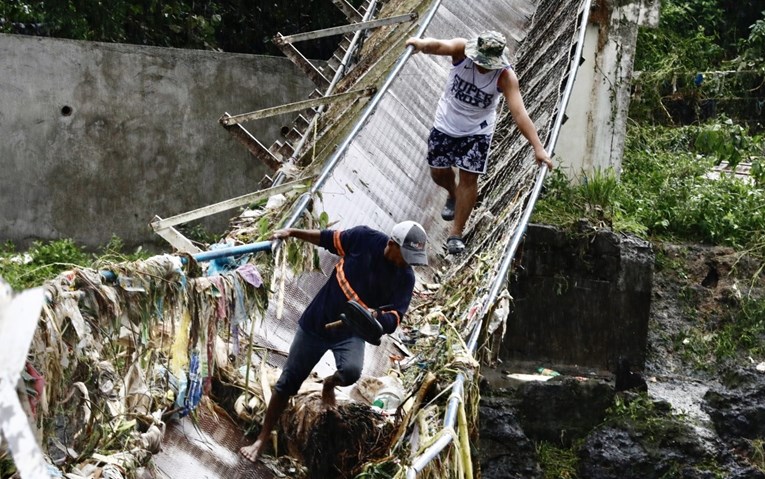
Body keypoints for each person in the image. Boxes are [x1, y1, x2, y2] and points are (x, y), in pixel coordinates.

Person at [240, 220, 428, 462]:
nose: (408, 262)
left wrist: (378, 318)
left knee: (351, 371)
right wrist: (293, 232)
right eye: (406, 255)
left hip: (352, 332)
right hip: (317, 322)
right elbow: (326, 238)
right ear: (392, 244)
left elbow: (396, 316)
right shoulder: (363, 238)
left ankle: (329, 384)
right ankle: (262, 438)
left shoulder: (405, 278)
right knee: (288, 382)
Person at [405, 31, 553, 255]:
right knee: (438, 171)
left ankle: (456, 233)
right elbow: (439, 45)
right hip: (446, 123)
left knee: (469, 178)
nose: (483, 67)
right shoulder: (461, 51)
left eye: (488, 64)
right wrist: (421, 44)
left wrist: (538, 148)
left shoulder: (505, 77)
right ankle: (453, 194)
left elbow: (519, 113)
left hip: (477, 131)